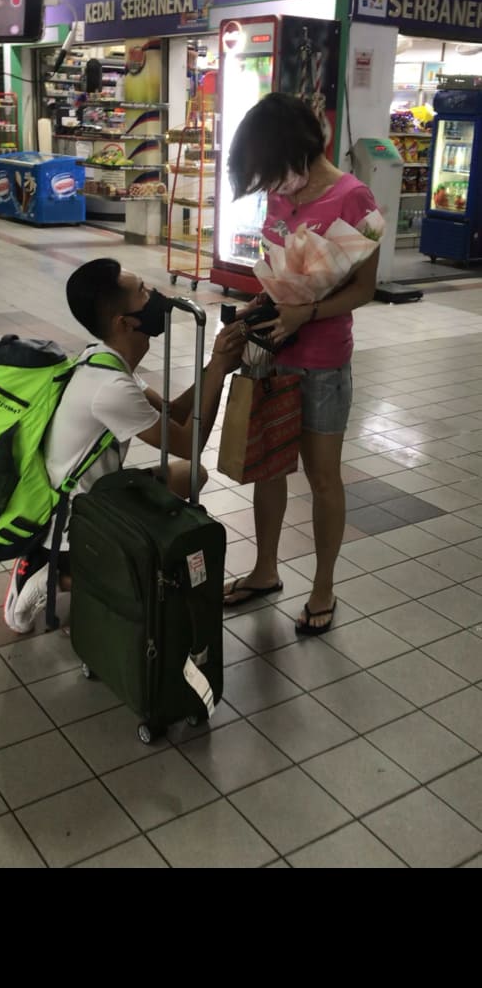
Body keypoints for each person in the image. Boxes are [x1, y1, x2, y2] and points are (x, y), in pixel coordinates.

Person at [4, 259, 245, 633]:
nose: (157, 298)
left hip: (100, 493)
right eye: (144, 293)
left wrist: (217, 365)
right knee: (154, 574)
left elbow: (176, 413)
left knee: (191, 477)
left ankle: (80, 562)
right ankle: (49, 577)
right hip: (77, 513)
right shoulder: (111, 389)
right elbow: (188, 440)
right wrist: (216, 372)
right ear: (125, 322)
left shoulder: (104, 360)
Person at [223, 93, 382, 636]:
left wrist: (307, 311)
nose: (268, 184)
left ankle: (323, 587)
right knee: (266, 467)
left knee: (322, 476)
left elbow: (364, 288)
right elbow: (275, 266)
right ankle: (265, 571)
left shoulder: (353, 198)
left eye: (269, 170)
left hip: (322, 360)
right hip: (272, 351)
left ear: (296, 151)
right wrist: (259, 310)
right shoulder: (279, 194)